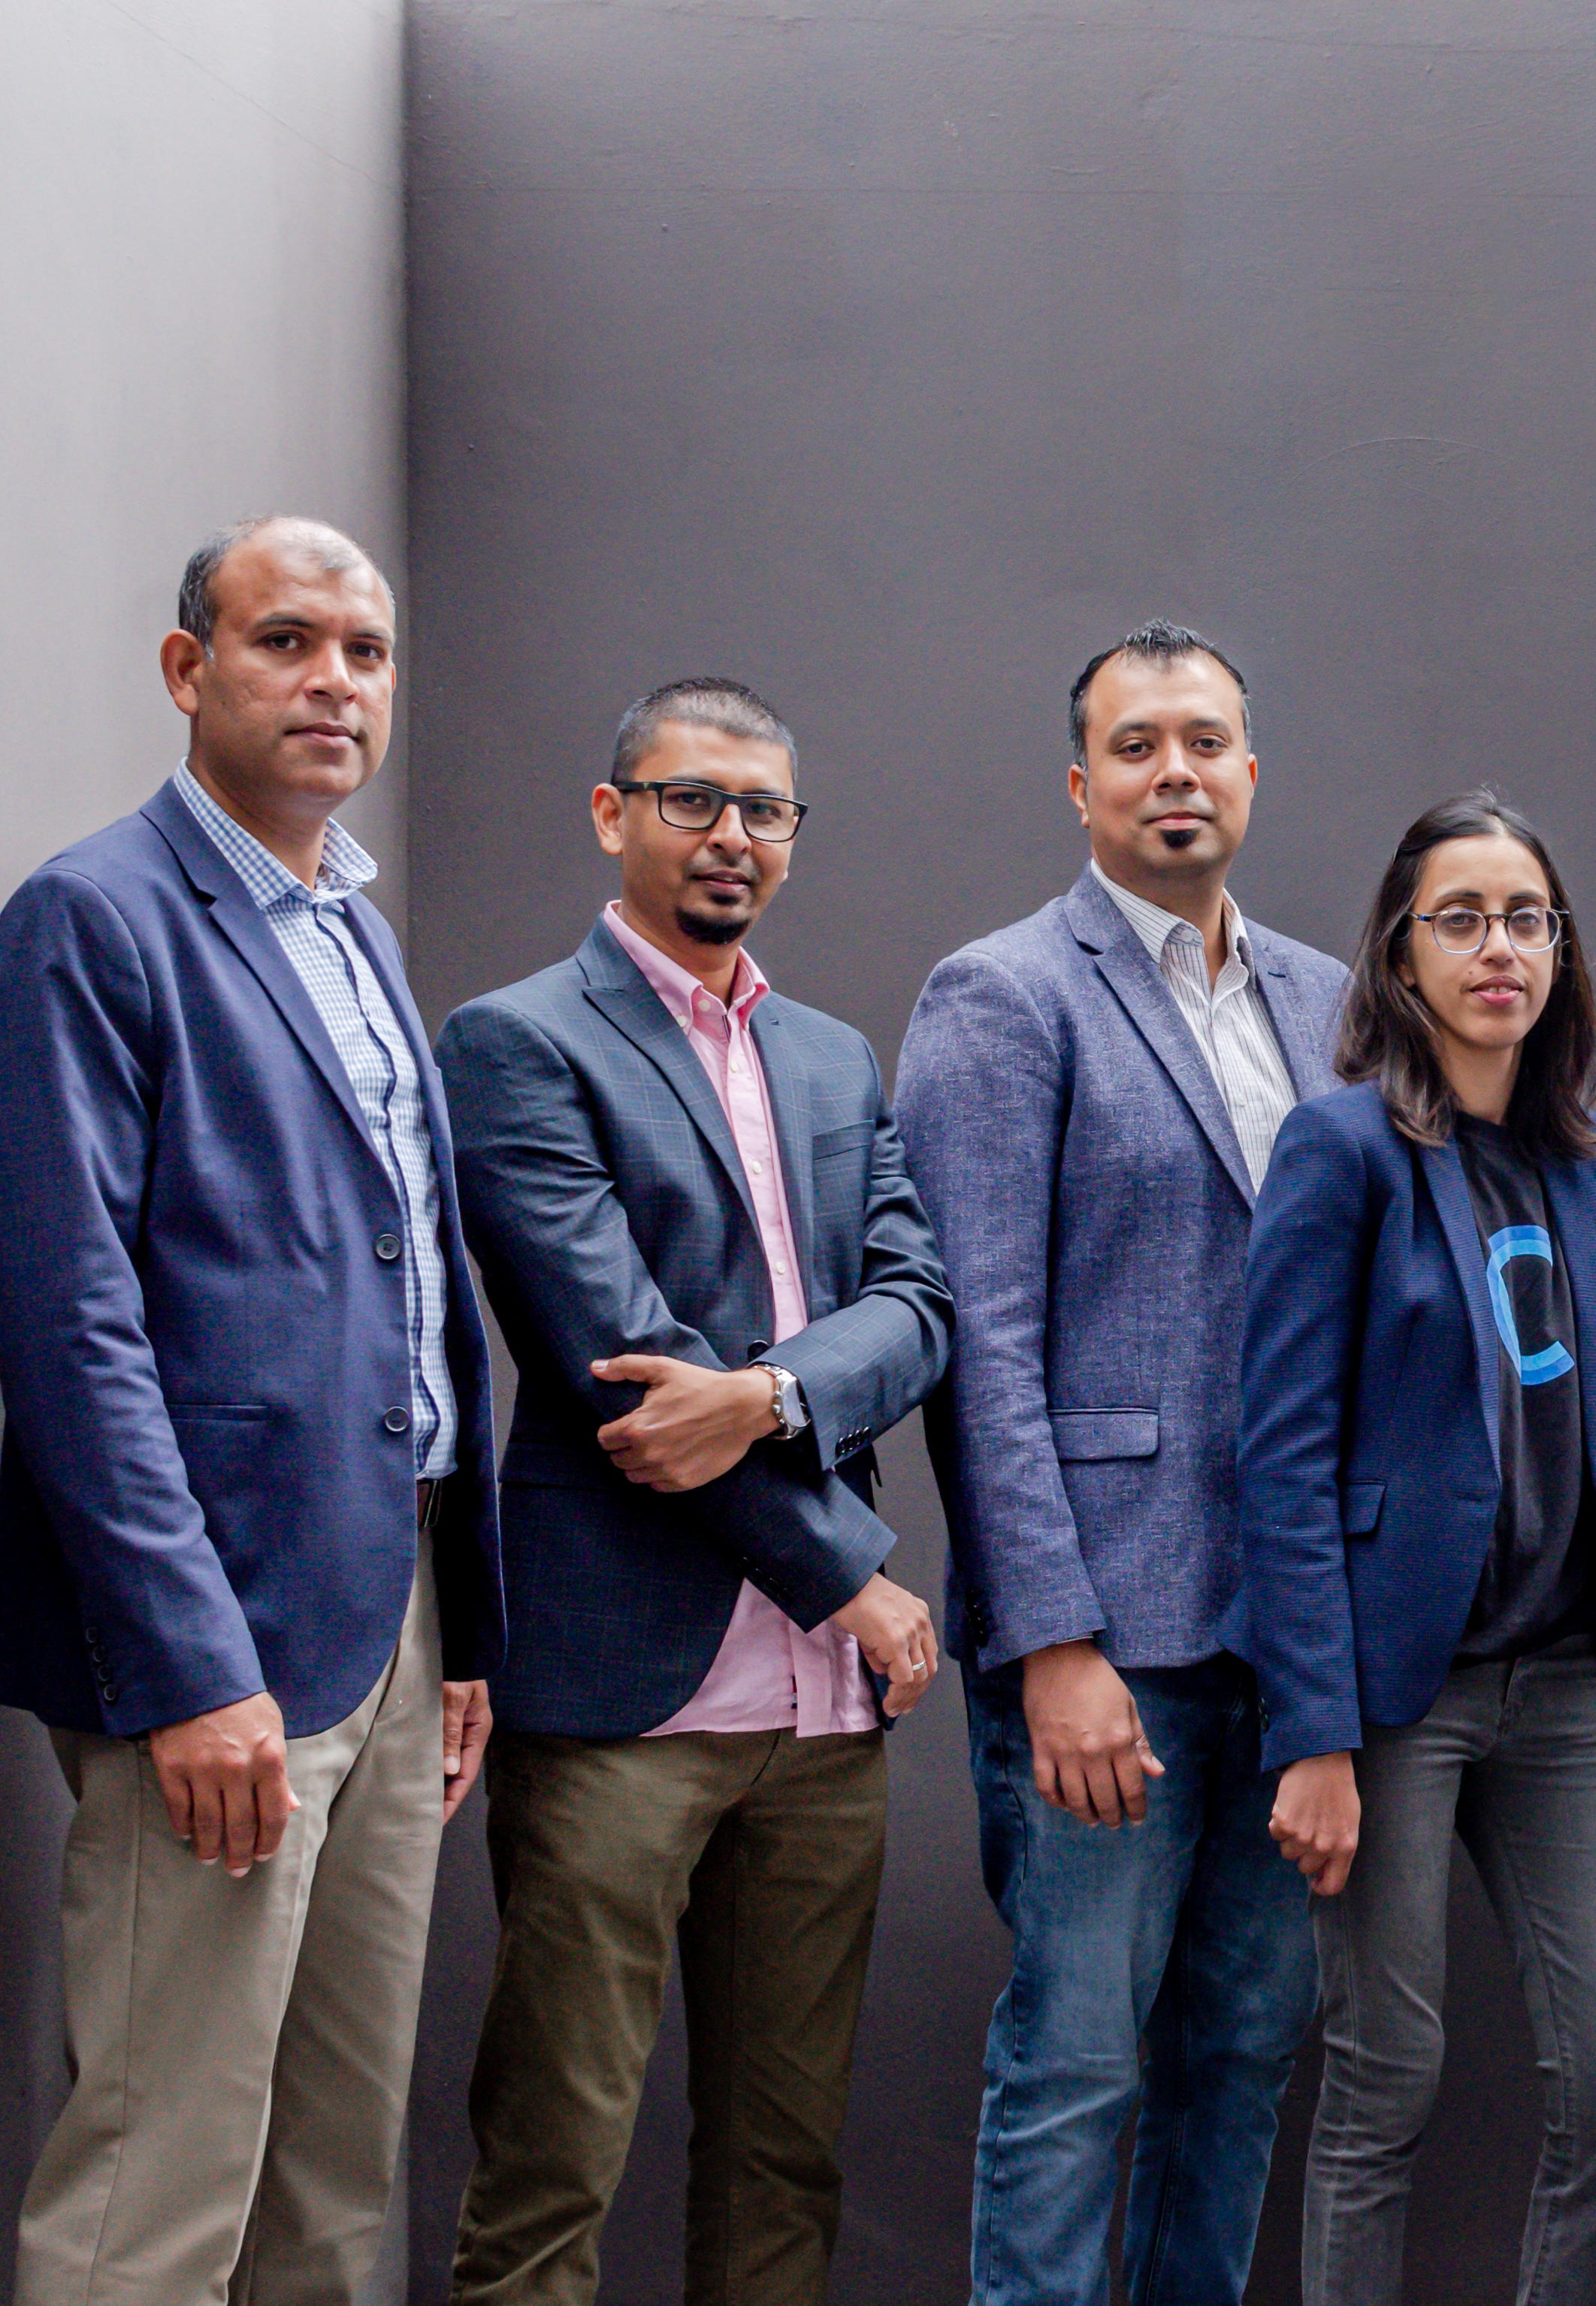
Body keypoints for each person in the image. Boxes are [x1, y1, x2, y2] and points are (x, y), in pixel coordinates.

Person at [0, 518, 503, 2305]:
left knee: (331, 2172)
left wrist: (457, 1626)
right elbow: (72, 1323)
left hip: (391, 1609)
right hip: (219, 1635)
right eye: (288, 640)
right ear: (185, 667)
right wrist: (189, 1659)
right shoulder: (96, 914)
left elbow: (404, 1293)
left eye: (365, 651)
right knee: (160, 2175)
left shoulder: (354, 934)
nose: (335, 682)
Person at [434, 679, 953, 2306]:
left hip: (818, 1730)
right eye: (692, 799)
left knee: (784, 2158)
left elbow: (919, 1301)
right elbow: (626, 1375)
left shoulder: (829, 1051)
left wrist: (778, 1391)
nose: (732, 834)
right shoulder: (517, 1041)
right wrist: (851, 1576)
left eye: (765, 810)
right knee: (552, 2161)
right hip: (619, 1703)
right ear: (613, 813)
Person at [896, 620, 1348, 2306]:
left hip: (1292, 1640)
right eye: (1139, 743)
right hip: (1109, 1642)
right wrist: (1053, 1642)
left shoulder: (1327, 997)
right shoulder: (1000, 994)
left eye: (1207, 740)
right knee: (1077, 2064)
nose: (1178, 770)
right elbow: (982, 1350)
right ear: (1081, 782)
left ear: (1250, 770)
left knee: (1239, 2055)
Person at [1238, 791, 1596, 2306]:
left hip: (1562, 1684)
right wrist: (1310, 1731)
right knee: (1387, 2068)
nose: (1498, 947)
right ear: (1400, 951)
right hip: (1393, 1691)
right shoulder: (1341, 1149)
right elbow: (1281, 1453)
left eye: (1526, 917)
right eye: (1461, 917)